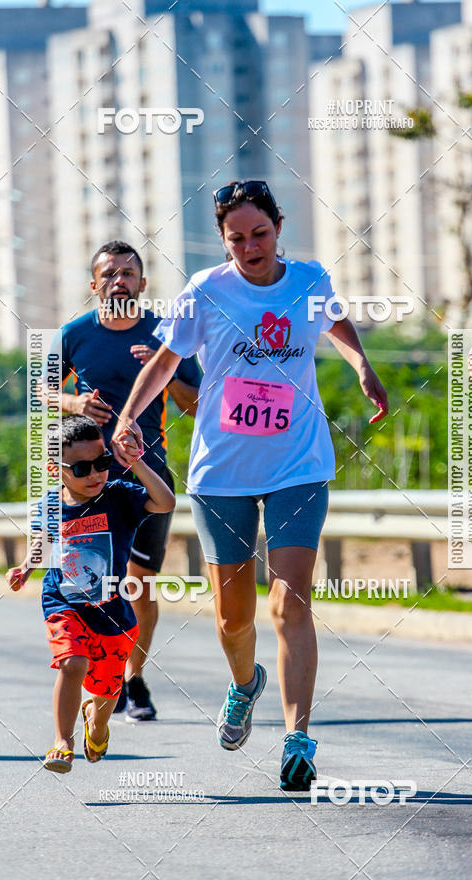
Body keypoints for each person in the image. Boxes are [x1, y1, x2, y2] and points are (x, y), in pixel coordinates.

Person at [111, 179, 388, 790]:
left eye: (259, 233)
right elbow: (164, 360)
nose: (249, 246)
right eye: (236, 238)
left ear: (279, 226)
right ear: (223, 239)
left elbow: (335, 322)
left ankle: (298, 738)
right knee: (234, 619)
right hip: (223, 472)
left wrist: (362, 363)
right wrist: (129, 416)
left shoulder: (310, 279)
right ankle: (243, 684)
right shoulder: (205, 291)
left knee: (290, 602)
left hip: (298, 465)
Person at [51, 240, 201, 721]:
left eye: (129, 273)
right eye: (110, 273)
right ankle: (100, 674)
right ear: (94, 285)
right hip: (86, 481)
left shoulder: (167, 333)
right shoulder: (74, 334)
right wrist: (73, 404)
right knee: (88, 583)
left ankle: (132, 678)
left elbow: (193, 405)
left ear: (142, 283)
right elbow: (43, 389)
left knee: (140, 585)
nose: (120, 280)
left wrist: (162, 368)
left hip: (146, 474)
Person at [6, 415, 175, 773]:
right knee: (73, 663)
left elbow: (165, 503)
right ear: (56, 470)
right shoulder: (49, 505)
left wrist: (136, 462)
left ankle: (96, 723)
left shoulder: (118, 496)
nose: (96, 474)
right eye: (83, 468)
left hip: (113, 612)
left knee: (107, 692)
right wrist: (26, 566)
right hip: (63, 602)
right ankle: (62, 742)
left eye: (102, 463)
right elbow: (43, 540)